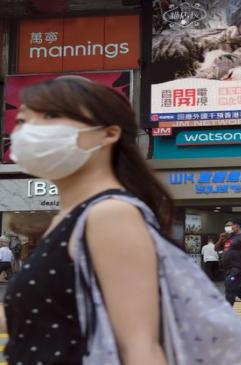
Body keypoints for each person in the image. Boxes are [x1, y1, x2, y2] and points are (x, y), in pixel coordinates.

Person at [0, 76, 174, 364]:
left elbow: (139, 346)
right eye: (21, 121)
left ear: (109, 134)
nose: (29, 131)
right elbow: (43, 314)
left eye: (51, 116)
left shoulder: (110, 214)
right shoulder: (71, 217)